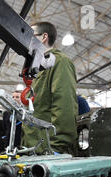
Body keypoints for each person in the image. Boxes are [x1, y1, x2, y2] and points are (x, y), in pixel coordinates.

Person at [20, 22, 78, 155]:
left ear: (43, 37)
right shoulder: (39, 67)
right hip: (34, 147)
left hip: (48, 149)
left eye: (30, 36)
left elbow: (64, 105)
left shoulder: (59, 62)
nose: (26, 40)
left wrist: (56, 147)